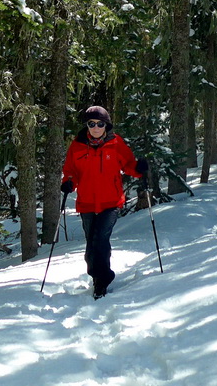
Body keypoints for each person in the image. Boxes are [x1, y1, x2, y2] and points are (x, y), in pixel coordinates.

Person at [60, 105, 147, 299]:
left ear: (106, 125)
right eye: (92, 124)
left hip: (111, 201)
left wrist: (139, 168)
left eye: (100, 123)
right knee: (91, 243)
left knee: (101, 239)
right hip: (87, 202)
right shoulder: (78, 145)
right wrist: (68, 183)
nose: (96, 127)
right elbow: (70, 171)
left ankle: (103, 280)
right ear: (87, 125)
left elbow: (129, 164)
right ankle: (97, 276)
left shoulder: (116, 143)